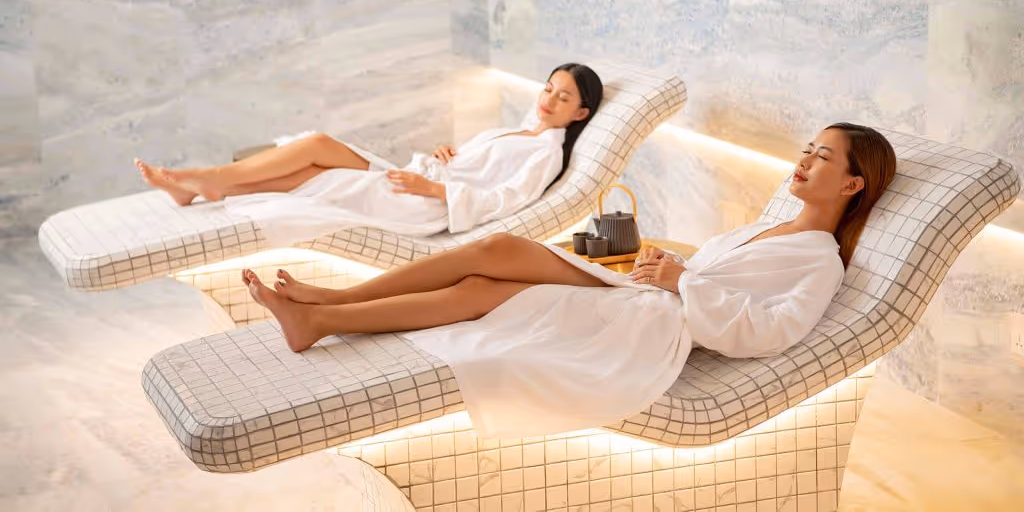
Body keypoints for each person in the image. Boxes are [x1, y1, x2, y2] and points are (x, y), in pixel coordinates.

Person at [242, 122, 897, 438]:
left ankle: (324, 313)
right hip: (643, 298)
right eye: (807, 147)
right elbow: (701, 271)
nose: (804, 158)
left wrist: (681, 283)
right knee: (491, 259)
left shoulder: (819, 258)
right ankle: (327, 306)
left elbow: (771, 330)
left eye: (822, 155)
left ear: (851, 182)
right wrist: (665, 267)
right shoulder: (764, 227)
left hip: (650, 329)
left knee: (484, 281)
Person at [133, 63, 603, 246]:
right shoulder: (520, 130)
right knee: (317, 158)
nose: (548, 99)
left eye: (563, 98)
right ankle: (206, 184)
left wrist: (435, 186)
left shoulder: (544, 153)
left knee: (318, 157)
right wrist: (449, 155)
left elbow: (505, 200)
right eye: (548, 88)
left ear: (580, 112)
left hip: (423, 202)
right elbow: (480, 167)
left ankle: (206, 180)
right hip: (421, 182)